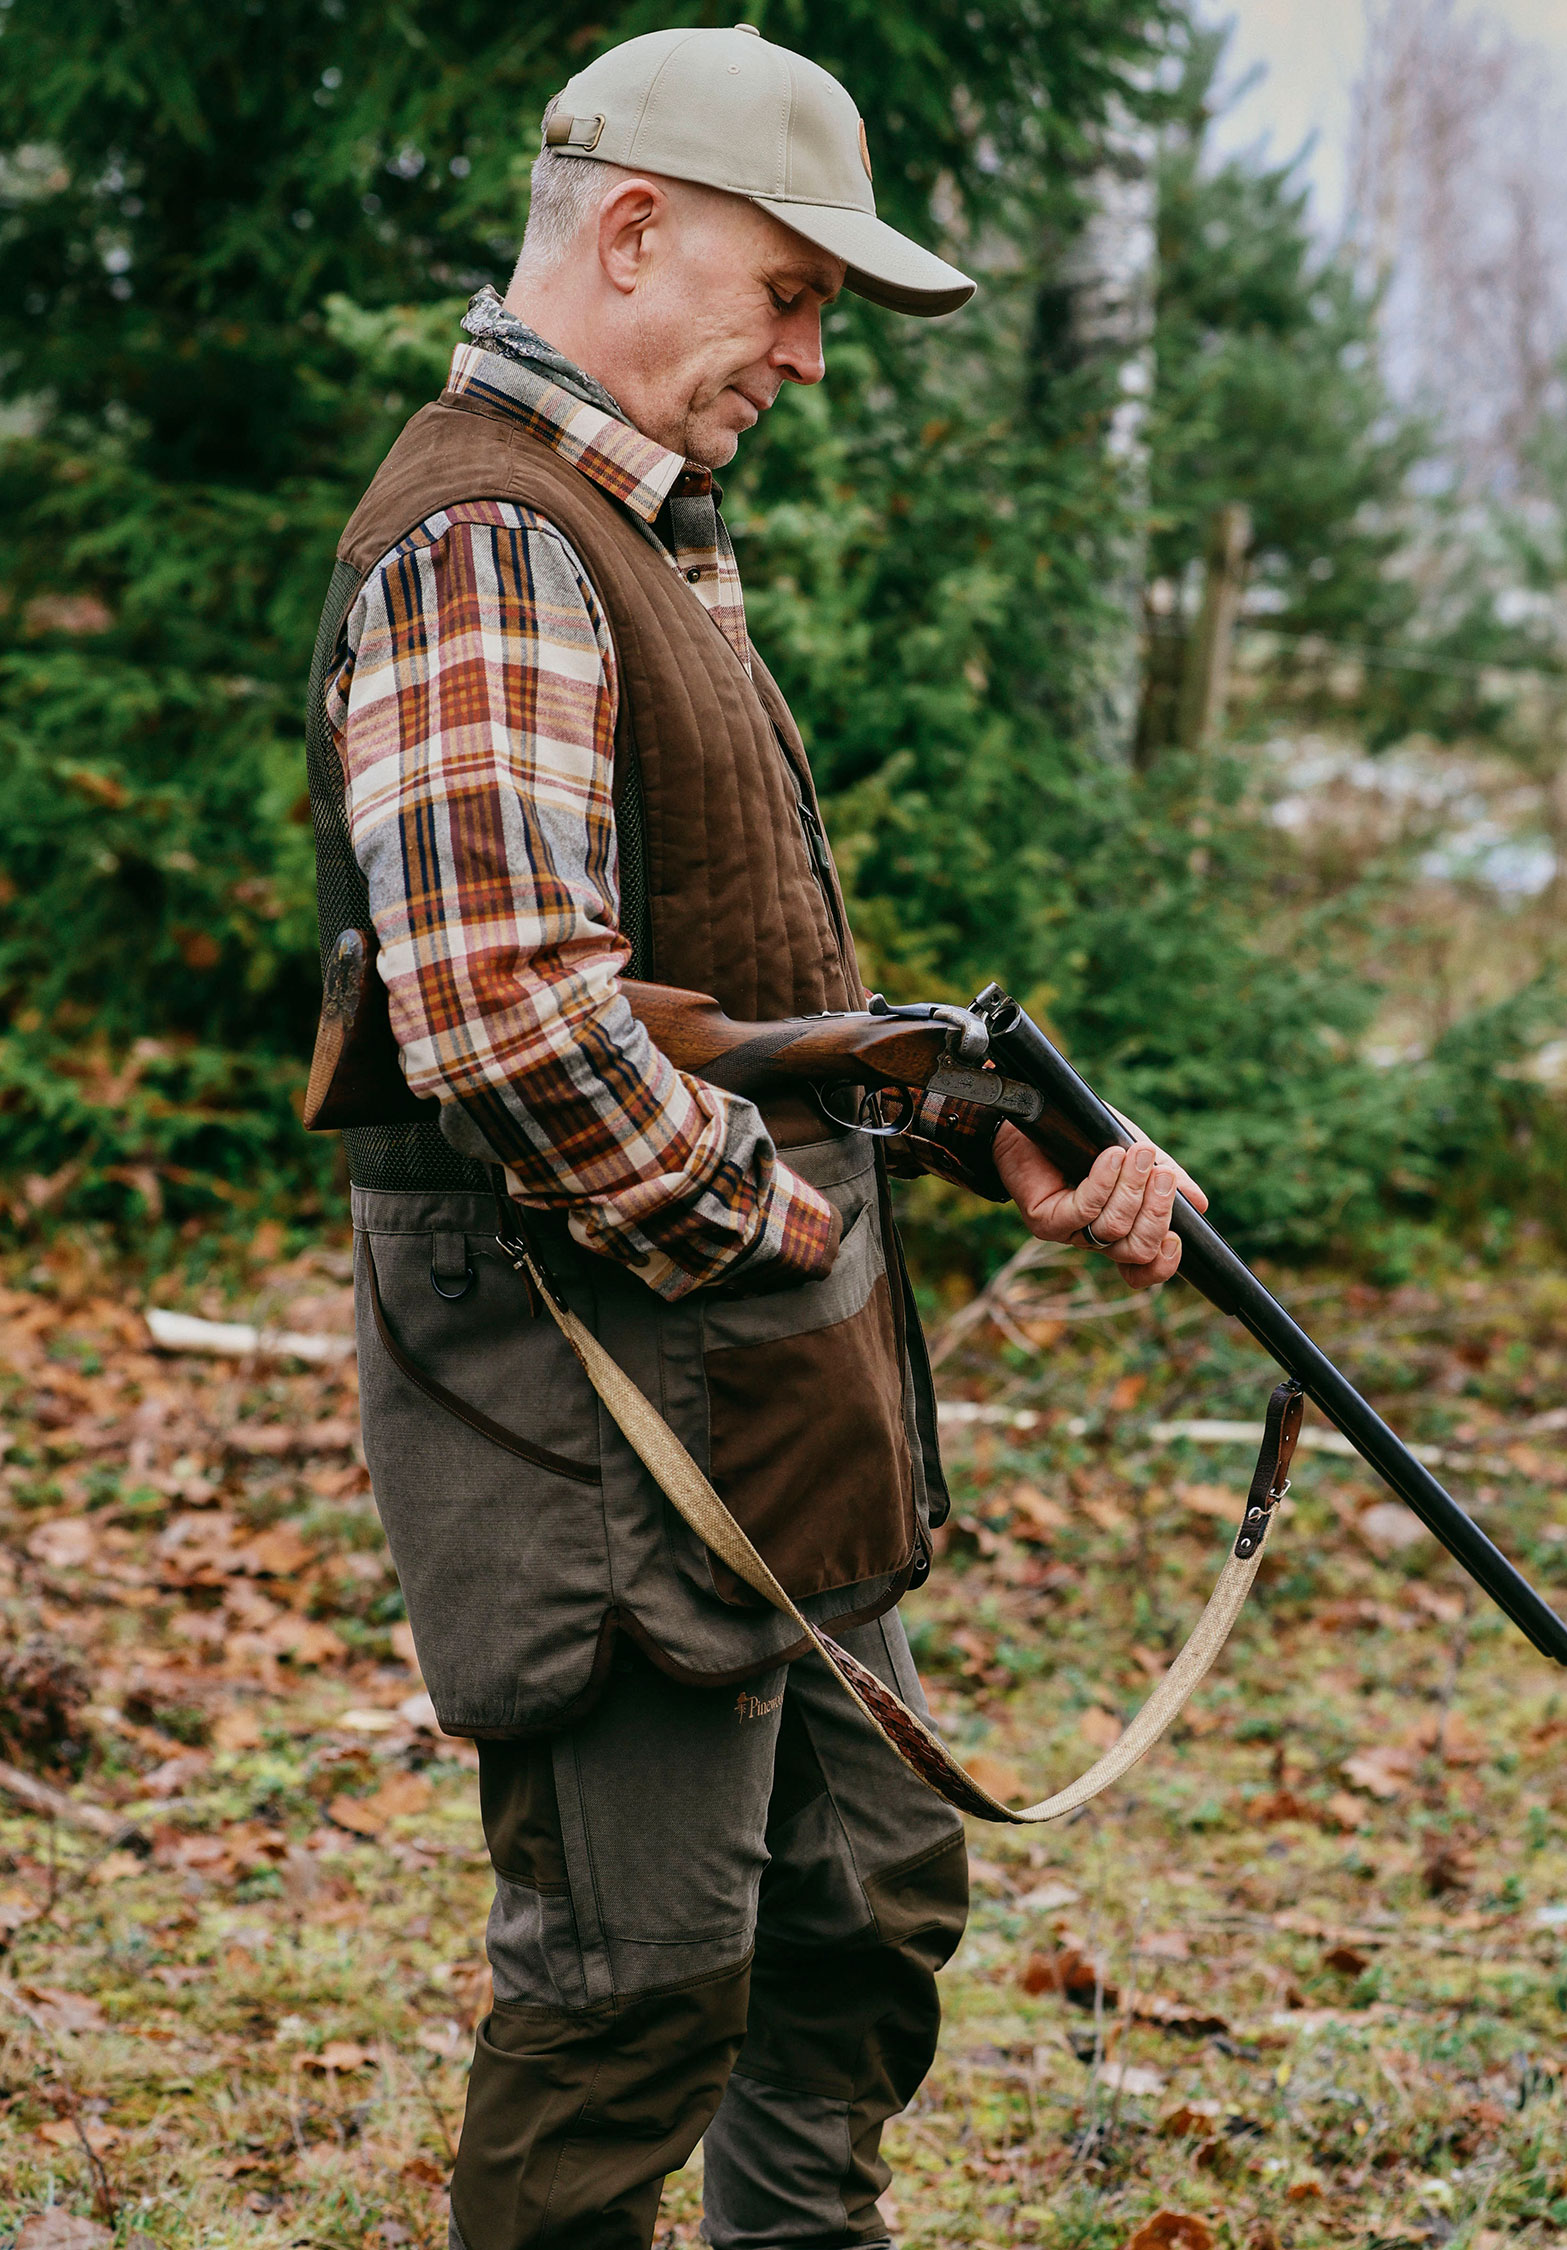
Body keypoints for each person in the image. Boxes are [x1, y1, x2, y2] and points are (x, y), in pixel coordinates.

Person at [307, 26, 1199, 2248]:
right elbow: (509, 1018)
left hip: (748, 1413)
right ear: (631, 233)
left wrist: (968, 1115)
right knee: (634, 2002)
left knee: (854, 1923)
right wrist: (780, 1218)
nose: (807, 357)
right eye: (789, 296)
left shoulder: (637, 525)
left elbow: (712, 975)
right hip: (600, 1429)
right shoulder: (495, 537)